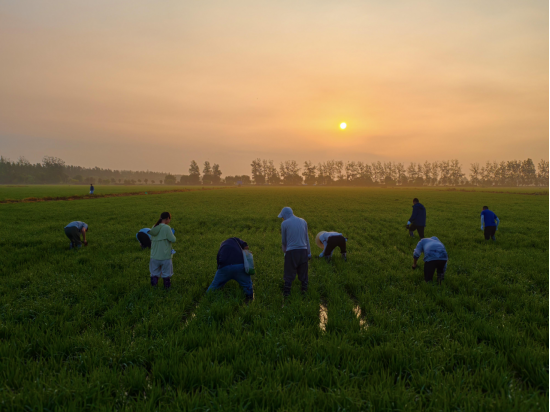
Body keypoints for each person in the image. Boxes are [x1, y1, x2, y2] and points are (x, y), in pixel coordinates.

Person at [278, 207, 311, 297]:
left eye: (282, 216)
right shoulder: (303, 221)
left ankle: (286, 294)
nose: (282, 218)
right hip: (303, 251)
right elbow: (307, 238)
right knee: (303, 272)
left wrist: (285, 251)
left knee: (289, 272)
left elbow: (284, 241)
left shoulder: (284, 223)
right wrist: (309, 252)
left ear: (285, 215)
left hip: (292, 251)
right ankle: (304, 292)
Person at [149, 212, 176, 289]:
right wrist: (172, 233)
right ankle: (167, 289)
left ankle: (153, 288)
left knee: (154, 273)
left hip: (154, 256)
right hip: (165, 256)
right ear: (167, 218)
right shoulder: (167, 228)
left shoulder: (154, 226)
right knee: (166, 274)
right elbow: (173, 240)